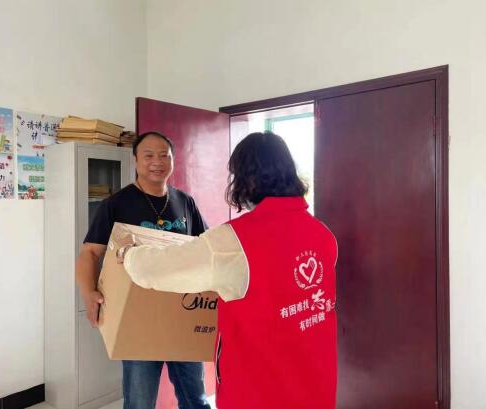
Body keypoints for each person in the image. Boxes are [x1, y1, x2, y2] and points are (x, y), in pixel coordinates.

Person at [119, 131, 338, 409]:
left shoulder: (232, 242)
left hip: (257, 391)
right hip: (314, 387)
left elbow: (157, 270)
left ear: (247, 180)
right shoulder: (322, 233)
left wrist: (128, 253)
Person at [75, 131, 212, 409]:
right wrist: (88, 293)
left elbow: (204, 248)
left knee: (195, 399)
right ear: (136, 160)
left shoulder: (185, 202)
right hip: (137, 318)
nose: (157, 162)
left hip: (181, 313)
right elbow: (89, 253)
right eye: (148, 155)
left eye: (164, 155)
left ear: (173, 160)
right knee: (139, 402)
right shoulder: (115, 204)